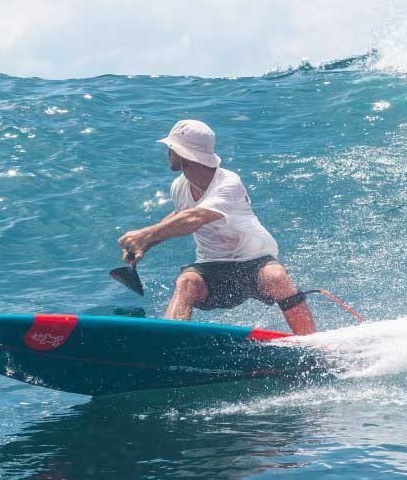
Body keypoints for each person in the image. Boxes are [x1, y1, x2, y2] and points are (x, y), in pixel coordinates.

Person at [117, 119, 317, 335]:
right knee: (186, 282)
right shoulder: (180, 185)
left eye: (171, 147)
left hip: (254, 262)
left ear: (184, 154)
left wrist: (145, 233)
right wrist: (146, 243)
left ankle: (313, 345)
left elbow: (195, 218)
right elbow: (181, 214)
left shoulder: (228, 184)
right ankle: (170, 341)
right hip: (211, 265)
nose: (168, 152)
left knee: (277, 277)